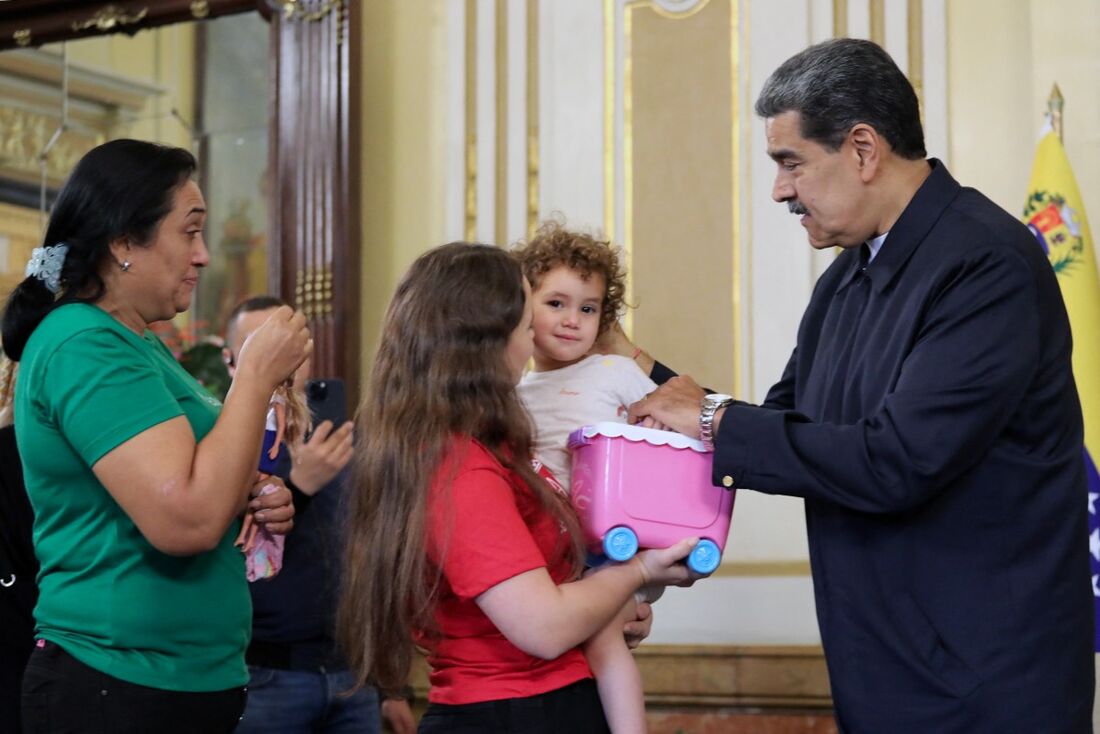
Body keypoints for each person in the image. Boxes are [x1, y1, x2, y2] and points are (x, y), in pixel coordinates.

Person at [628, 38, 1095, 733]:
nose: (780, 190)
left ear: (864, 150)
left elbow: (895, 461)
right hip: (885, 676)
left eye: (790, 164)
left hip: (984, 690)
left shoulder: (985, 263)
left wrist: (708, 417)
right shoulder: (847, 275)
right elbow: (788, 426)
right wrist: (644, 376)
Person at [2, 138, 310, 734]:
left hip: (183, 679)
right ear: (122, 242)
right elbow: (185, 520)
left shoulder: (141, 344)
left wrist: (254, 492)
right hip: (115, 683)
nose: (204, 255)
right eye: (188, 232)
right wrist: (253, 375)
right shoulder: (81, 343)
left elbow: (200, 480)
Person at [338, 242, 697, 733]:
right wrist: (635, 571)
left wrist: (607, 603)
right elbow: (544, 627)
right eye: (528, 326)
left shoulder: (495, 443)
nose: (535, 343)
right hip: (514, 710)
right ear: (488, 341)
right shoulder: (458, 465)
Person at [224, 296, 415, 734]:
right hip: (265, 675)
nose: (278, 358)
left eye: (288, 344)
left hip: (353, 676)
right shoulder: (223, 438)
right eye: (258, 344)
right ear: (232, 359)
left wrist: (393, 686)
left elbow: (375, 560)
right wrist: (300, 489)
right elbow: (218, 540)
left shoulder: (344, 442)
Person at [512, 222, 660, 733]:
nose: (573, 320)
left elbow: (665, 430)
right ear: (523, 304)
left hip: (608, 543)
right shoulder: (516, 390)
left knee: (602, 642)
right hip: (546, 550)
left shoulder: (615, 372)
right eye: (556, 303)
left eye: (589, 308)